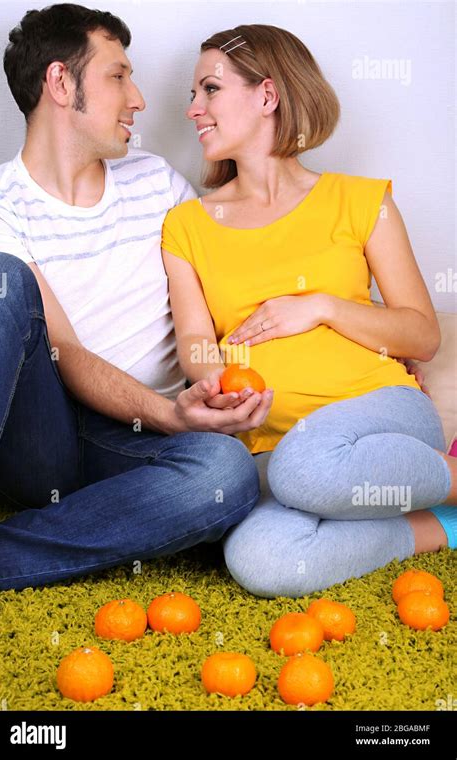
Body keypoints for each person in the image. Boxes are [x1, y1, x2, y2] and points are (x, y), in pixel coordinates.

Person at [0, 5, 275, 592]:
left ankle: (1, 553)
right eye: (118, 76)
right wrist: (173, 414)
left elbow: (235, 284)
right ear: (61, 83)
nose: (138, 99)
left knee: (225, 473)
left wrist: (361, 342)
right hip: (44, 436)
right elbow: (62, 350)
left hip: (137, 447)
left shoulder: (158, 182)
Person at [161, 24, 457, 598]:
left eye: (210, 89)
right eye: (192, 95)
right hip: (271, 444)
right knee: (260, 560)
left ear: (267, 95)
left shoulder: (361, 200)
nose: (193, 108)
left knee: (305, 468)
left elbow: (423, 335)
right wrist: (215, 386)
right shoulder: (187, 226)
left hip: (380, 411)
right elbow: (196, 347)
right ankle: (440, 524)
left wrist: (320, 307)